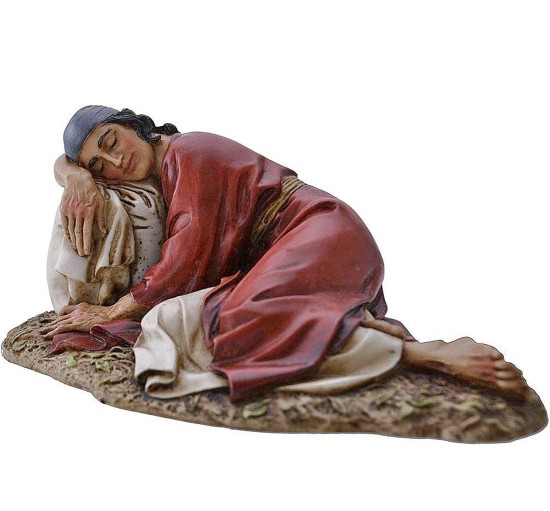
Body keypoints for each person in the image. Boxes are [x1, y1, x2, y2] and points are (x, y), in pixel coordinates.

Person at [41, 105, 529, 402]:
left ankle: (423, 357)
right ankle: (364, 331)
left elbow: (186, 260)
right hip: (298, 245)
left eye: (111, 141)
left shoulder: (189, 152)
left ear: (133, 123)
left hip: (321, 234)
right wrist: (74, 174)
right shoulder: (166, 167)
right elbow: (66, 162)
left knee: (236, 326)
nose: (115, 161)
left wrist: (112, 311)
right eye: (100, 166)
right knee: (211, 321)